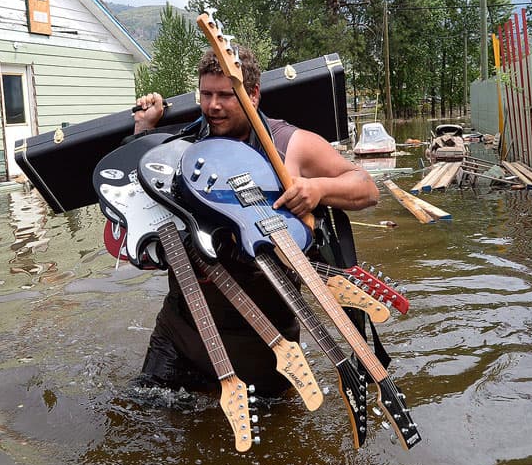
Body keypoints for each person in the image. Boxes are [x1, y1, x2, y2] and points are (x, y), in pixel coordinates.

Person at [129, 47, 381, 397]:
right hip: (183, 329)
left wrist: (318, 189)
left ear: (253, 94)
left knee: (273, 444)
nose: (213, 105)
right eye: (205, 94)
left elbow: (367, 189)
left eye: (225, 95)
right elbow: (146, 200)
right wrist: (145, 129)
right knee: (142, 419)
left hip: (265, 343)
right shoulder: (184, 145)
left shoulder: (289, 145)